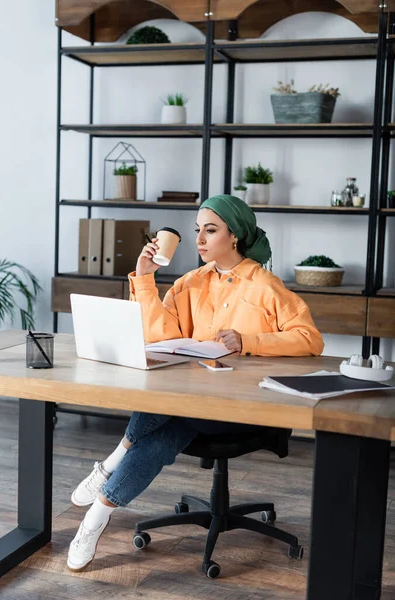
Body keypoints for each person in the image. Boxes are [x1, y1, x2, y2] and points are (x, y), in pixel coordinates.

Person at [67, 194, 324, 572]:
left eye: (210, 230)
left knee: (170, 416)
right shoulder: (191, 282)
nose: (200, 239)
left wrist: (248, 342)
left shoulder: (265, 286)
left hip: (241, 409)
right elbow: (161, 334)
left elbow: (310, 339)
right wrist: (145, 276)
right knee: (169, 426)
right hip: (188, 403)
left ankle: (108, 472)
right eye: (197, 231)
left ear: (234, 236)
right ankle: (96, 517)